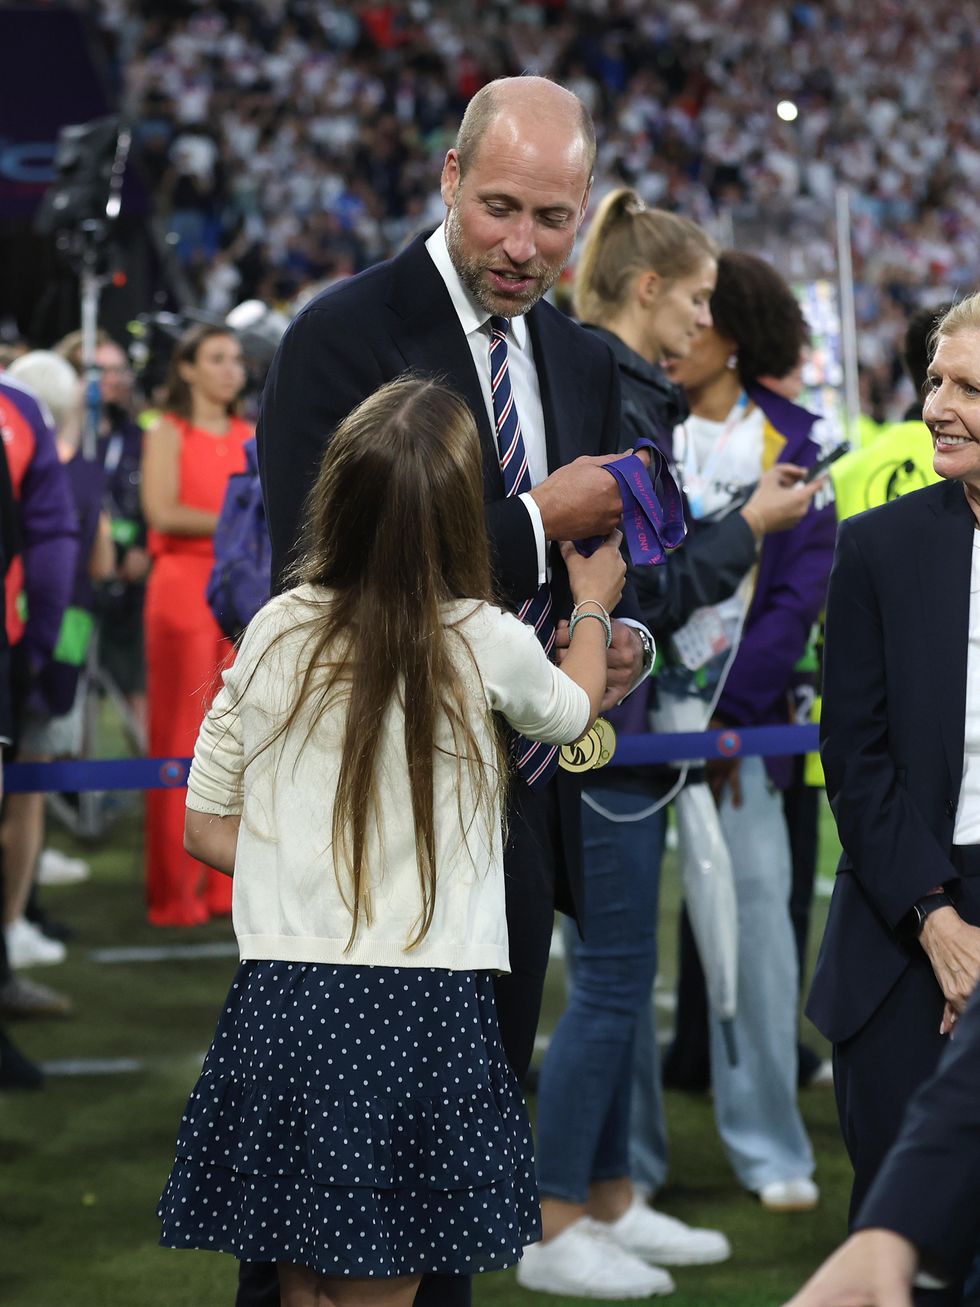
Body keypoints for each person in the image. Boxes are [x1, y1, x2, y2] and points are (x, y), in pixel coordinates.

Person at [251, 75, 652, 1307]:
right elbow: (320, 577)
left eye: (552, 217)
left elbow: (606, 563)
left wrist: (615, 637)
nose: (523, 245)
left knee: (455, 1188)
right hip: (364, 835)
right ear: (446, 179)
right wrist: (533, 524)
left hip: (512, 826)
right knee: (321, 1206)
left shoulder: (576, 356)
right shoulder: (340, 334)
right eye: (499, 209)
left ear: (583, 207)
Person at [158, 375, 627, 1307]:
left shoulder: (275, 626)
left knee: (301, 1290)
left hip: (283, 1000)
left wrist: (315, 873)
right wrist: (594, 601)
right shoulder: (484, 636)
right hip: (419, 1007)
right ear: (460, 513)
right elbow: (574, 707)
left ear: (336, 495)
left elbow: (205, 825)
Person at [525, 189, 817, 1297]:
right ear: (647, 289)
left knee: (617, 970)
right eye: (695, 297)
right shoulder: (614, 383)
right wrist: (745, 530)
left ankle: (607, 1197)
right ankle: (554, 1219)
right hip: (597, 721)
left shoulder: (605, 376)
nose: (705, 319)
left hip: (606, 713)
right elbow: (646, 579)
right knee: (609, 979)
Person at [634, 251, 836, 1211]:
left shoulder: (796, 438)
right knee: (616, 946)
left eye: (707, 311)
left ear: (741, 331)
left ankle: (768, 1141)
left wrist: (726, 716)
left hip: (741, 733)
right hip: (627, 715)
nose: (687, 328)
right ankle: (622, 1166)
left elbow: (798, 594)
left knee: (761, 934)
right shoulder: (635, 419)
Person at [807, 291, 980, 1304]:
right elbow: (855, 755)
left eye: (969, 388)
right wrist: (936, 919)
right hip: (901, 914)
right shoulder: (876, 545)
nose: (937, 406)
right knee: (901, 1254)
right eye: (934, 381)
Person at [1, 352, 113, 968]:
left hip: (30, 628)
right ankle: (18, 914)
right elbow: (96, 561)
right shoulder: (81, 473)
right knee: (30, 785)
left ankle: (25, 908)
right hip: (58, 629)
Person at [141, 324, 250, 927]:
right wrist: (240, 522)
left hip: (238, 593)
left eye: (235, 358)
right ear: (186, 368)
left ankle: (224, 886)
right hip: (183, 591)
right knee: (179, 736)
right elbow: (162, 512)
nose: (231, 369)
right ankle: (174, 893)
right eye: (216, 358)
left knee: (240, 739)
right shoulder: (167, 431)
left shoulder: (249, 434)